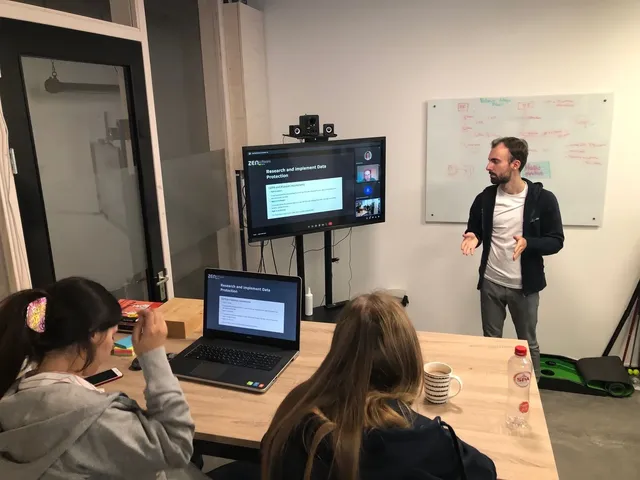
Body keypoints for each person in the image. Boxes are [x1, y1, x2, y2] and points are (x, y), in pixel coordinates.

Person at [261, 292, 497, 480]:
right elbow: (485, 471)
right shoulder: (422, 437)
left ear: (339, 350)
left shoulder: (296, 406)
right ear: (408, 358)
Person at [0, 277, 209, 480]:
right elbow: (177, 447)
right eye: (112, 336)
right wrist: (153, 355)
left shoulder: (13, 397)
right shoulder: (91, 418)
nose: (111, 347)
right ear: (94, 335)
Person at [461, 137, 564, 380]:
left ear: (515, 164)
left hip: (524, 288)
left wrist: (530, 243)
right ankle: (492, 386)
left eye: (495, 161)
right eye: (489, 160)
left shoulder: (543, 199)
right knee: (491, 342)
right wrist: (473, 237)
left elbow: (556, 240)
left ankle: (532, 390)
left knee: (528, 343)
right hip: (491, 283)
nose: (488, 166)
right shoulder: (485, 198)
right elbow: (475, 229)